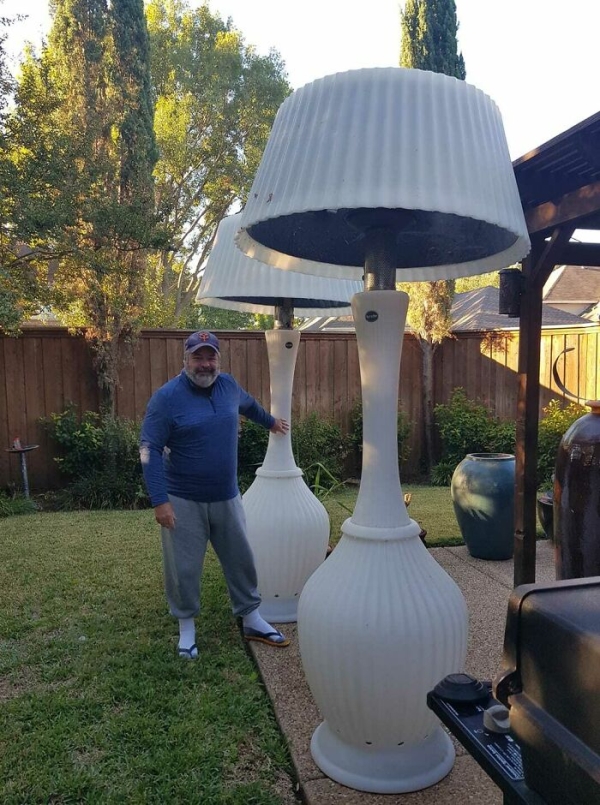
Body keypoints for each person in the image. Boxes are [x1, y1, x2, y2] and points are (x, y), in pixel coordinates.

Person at [140, 330, 290, 659]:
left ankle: (251, 618)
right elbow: (148, 448)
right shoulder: (166, 398)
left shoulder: (229, 386)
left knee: (241, 560)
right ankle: (186, 629)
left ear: (219, 360)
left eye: (211, 357)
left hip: (227, 496)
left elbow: (249, 406)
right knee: (183, 568)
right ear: (186, 359)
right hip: (183, 499)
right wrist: (160, 501)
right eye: (198, 357)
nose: (205, 364)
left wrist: (271, 423)